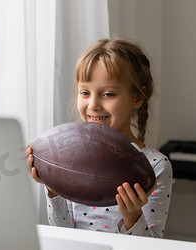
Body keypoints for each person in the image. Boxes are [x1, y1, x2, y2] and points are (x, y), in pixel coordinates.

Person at [26, 39, 172, 237]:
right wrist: (53, 187)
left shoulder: (156, 166)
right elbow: (63, 232)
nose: (93, 104)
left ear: (137, 97)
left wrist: (132, 216)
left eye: (108, 94)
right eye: (85, 92)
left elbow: (153, 246)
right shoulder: (68, 158)